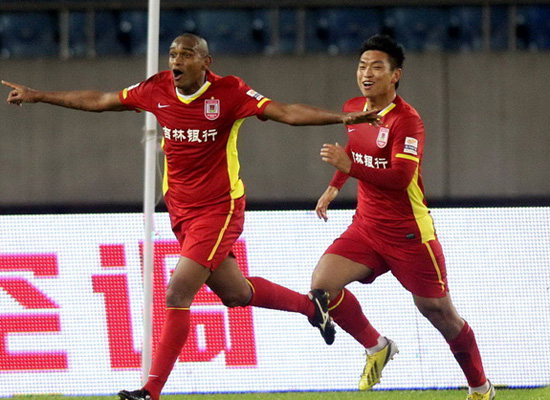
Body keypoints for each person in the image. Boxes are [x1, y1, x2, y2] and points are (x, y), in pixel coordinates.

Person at [3, 33, 380, 400]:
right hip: (180, 211)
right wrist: (39, 95)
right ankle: (310, 307)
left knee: (177, 291)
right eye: (172, 54)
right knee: (234, 293)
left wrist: (341, 118)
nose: (176, 61)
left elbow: (286, 112)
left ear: (205, 62)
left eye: (186, 55)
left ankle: (150, 391)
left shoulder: (230, 92)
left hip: (219, 209)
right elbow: (100, 100)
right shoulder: (157, 89)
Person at [309, 34, 495, 400]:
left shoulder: (407, 122)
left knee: (438, 312)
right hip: (366, 227)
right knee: (322, 287)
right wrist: (334, 185)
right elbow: (354, 147)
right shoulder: (353, 108)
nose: (366, 73)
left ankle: (480, 387)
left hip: (409, 235)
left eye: (377, 67)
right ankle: (377, 347)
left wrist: (349, 168)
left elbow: (400, 178)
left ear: (395, 75)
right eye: (362, 66)